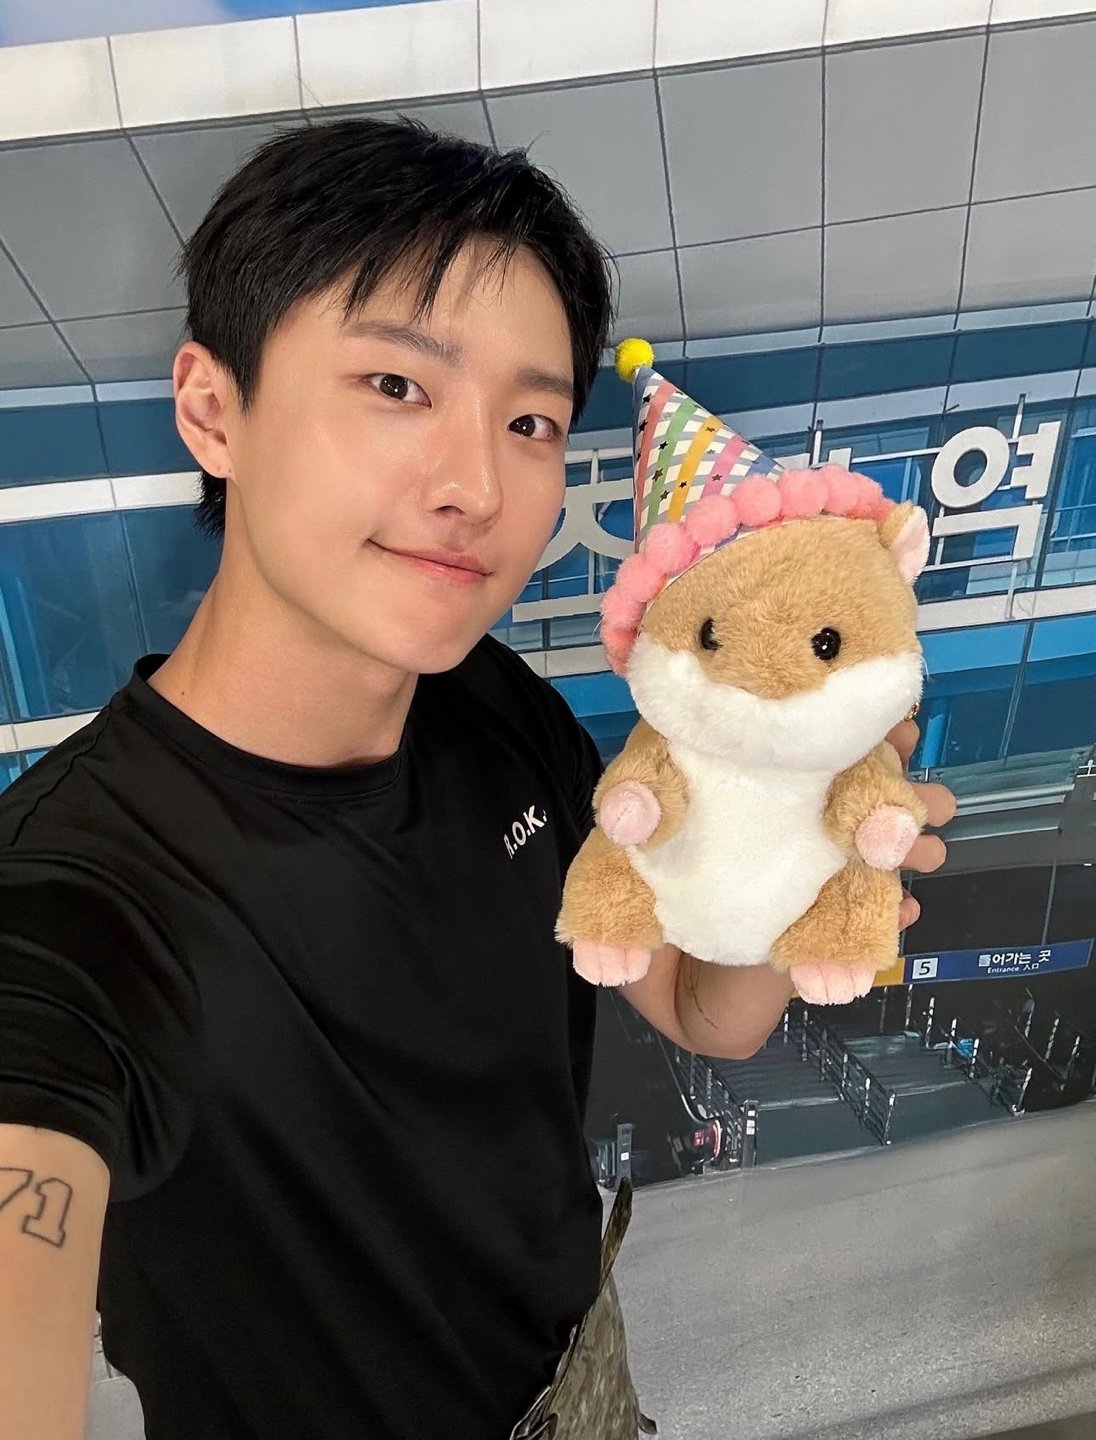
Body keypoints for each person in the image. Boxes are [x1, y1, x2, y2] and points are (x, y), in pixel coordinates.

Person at [0, 117, 955, 1440]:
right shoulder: (67, 902)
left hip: (587, 1391)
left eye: (530, 420)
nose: (477, 485)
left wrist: (801, 852)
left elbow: (705, 1012)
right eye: (398, 385)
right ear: (214, 410)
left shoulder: (495, 707)